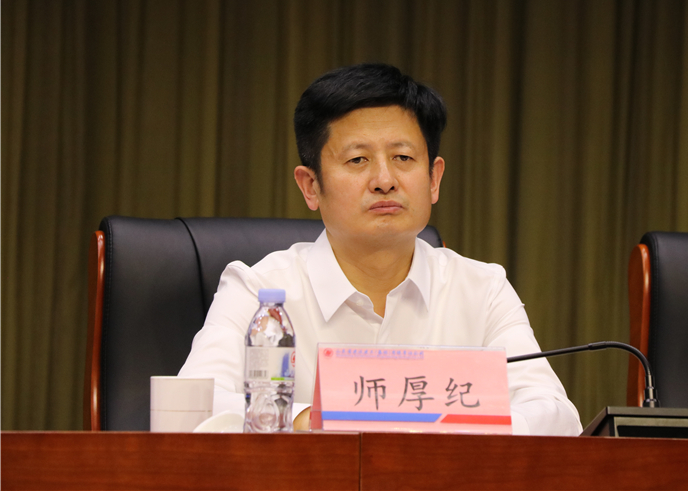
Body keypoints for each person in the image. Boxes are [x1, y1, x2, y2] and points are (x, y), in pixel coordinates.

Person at [179, 63, 582, 435]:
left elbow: (556, 415)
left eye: (403, 157)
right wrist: (312, 420)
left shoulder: (482, 290)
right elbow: (189, 408)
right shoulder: (258, 291)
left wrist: (458, 426)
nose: (384, 180)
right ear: (311, 186)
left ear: (434, 179)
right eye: (358, 160)